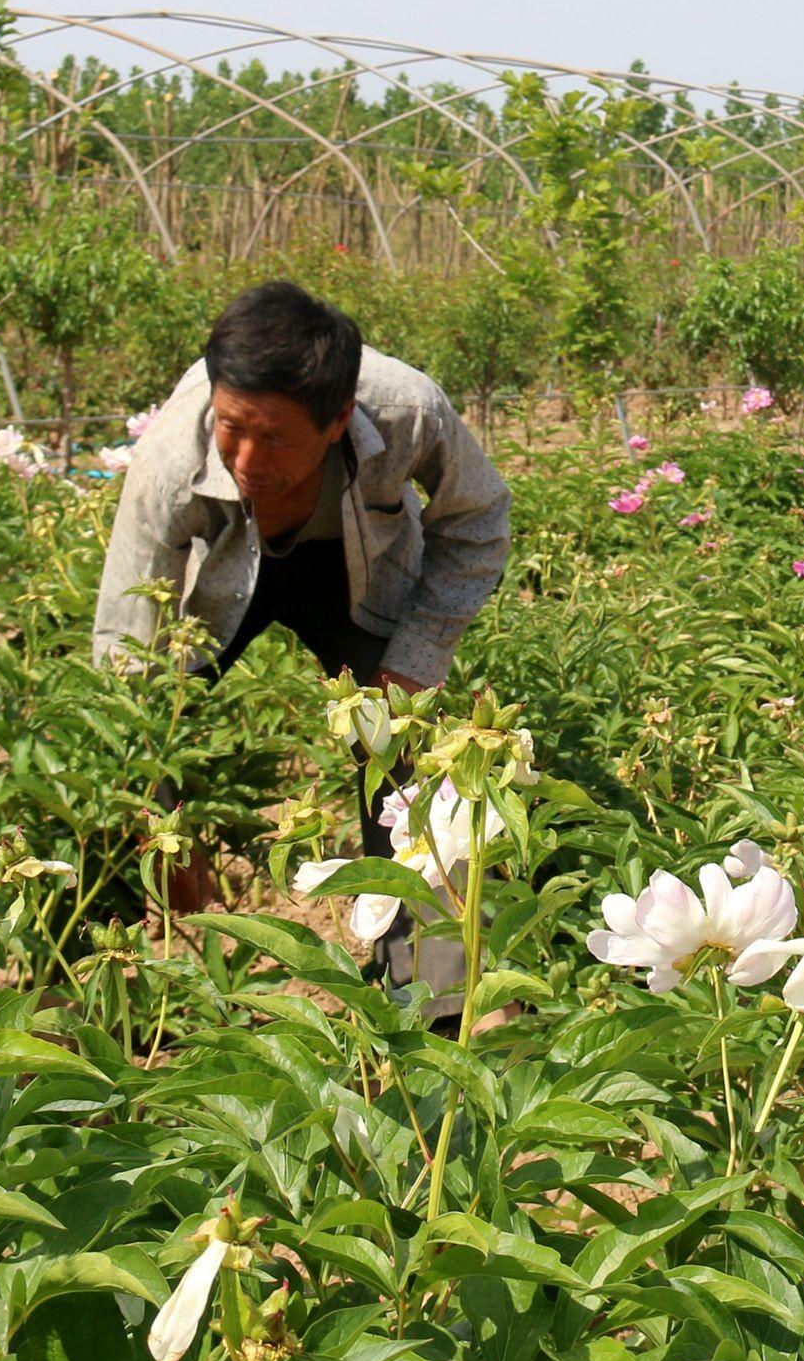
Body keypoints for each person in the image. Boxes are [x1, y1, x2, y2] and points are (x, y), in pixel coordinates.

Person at [94, 280, 511, 995]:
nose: (248, 457)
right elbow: (128, 645)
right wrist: (150, 802)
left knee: (409, 754)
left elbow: (477, 522)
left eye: (275, 436)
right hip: (214, 585)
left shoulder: (409, 412)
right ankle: (94, 974)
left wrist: (414, 661)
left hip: (357, 573)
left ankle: (432, 992)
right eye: (233, 427)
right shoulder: (171, 464)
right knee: (118, 779)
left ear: (338, 418)